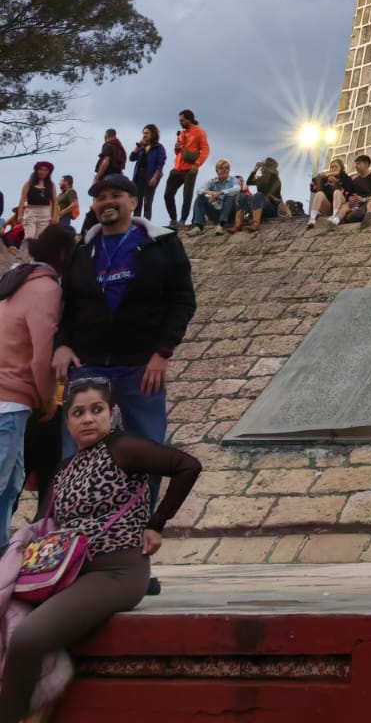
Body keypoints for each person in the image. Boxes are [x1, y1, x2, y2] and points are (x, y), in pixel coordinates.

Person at [0, 376, 202, 723]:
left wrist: (156, 523)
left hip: (116, 571)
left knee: (28, 637)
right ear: (68, 422)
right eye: (78, 413)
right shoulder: (66, 469)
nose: (87, 419)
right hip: (68, 572)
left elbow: (187, 466)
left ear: (113, 413)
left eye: (97, 410)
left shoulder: (120, 448)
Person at [52, 174, 197, 517]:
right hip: (87, 370)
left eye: (116, 195)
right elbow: (66, 307)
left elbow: (182, 301)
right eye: (100, 198)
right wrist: (61, 345)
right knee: (73, 458)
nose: (107, 202)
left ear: (133, 201)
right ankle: (72, 548)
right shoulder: (82, 251)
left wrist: (163, 353)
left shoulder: (162, 245)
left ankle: (135, 548)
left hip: (141, 369)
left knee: (148, 455)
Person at [0, 225, 75, 550]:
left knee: (11, 484)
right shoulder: (46, 289)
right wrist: (46, 400)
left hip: (10, 397)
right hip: (11, 397)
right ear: (64, 255)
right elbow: (41, 355)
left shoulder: (15, 282)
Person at [163, 110, 209, 228]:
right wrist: (176, 148)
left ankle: (182, 220)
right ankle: (173, 219)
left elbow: (205, 150)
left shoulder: (200, 132)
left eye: (182, 120)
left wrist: (197, 164)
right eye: (179, 120)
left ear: (189, 119)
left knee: (186, 196)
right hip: (177, 168)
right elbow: (177, 151)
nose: (180, 122)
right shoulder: (181, 133)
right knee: (168, 194)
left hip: (190, 169)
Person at [185, 159, 243, 235]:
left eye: (227, 168)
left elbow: (237, 189)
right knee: (200, 197)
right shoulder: (213, 181)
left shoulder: (233, 180)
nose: (224, 170)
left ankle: (220, 225)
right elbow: (199, 190)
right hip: (216, 210)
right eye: (222, 168)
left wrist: (220, 193)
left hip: (230, 211)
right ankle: (198, 227)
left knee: (229, 196)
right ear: (217, 171)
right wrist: (210, 193)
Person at [330, 155, 371, 226]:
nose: (356, 166)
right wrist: (352, 199)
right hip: (358, 204)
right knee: (345, 206)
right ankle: (336, 221)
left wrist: (364, 199)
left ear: (366, 164)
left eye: (358, 163)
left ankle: (369, 215)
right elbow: (350, 195)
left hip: (370, 201)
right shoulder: (355, 181)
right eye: (355, 164)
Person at [129, 125, 166, 220]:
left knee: (147, 202)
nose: (144, 135)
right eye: (143, 133)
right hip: (138, 178)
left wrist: (155, 177)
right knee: (137, 202)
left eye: (146, 133)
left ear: (153, 134)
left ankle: (146, 225)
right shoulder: (142, 148)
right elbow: (132, 158)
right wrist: (138, 145)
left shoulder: (159, 148)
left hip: (150, 177)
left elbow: (160, 164)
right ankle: (136, 225)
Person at [16, 163, 56, 245]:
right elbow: (22, 200)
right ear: (36, 170)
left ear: (49, 172)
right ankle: (23, 257)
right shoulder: (29, 184)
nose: (42, 172)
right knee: (29, 238)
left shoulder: (51, 185)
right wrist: (20, 215)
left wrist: (53, 217)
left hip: (45, 214)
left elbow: (55, 202)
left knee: (40, 240)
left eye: (45, 170)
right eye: (41, 169)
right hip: (31, 212)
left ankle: (35, 257)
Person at [306, 159, 352, 229]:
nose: (333, 168)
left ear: (341, 168)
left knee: (337, 192)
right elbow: (313, 188)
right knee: (319, 194)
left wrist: (336, 184)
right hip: (328, 207)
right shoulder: (326, 178)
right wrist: (319, 177)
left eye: (336, 167)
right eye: (332, 167)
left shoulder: (346, 178)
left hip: (340, 205)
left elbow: (346, 193)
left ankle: (335, 216)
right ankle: (312, 219)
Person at [244, 157, 285, 222]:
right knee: (246, 197)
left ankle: (253, 221)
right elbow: (248, 182)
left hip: (271, 208)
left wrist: (264, 166)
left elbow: (264, 191)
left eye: (263, 169)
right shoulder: (261, 179)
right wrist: (254, 171)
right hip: (260, 207)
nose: (261, 170)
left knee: (258, 195)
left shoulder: (274, 179)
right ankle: (248, 217)